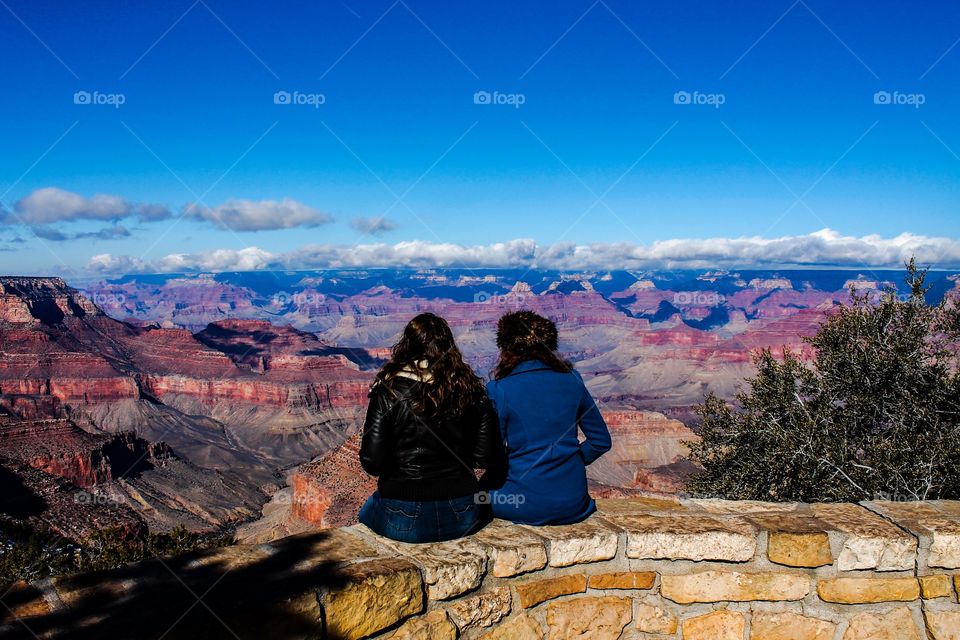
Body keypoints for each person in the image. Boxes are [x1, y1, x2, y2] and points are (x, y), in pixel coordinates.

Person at [358, 312, 502, 543]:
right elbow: (485, 457)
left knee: (365, 512)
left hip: (402, 517)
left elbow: (372, 462)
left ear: (407, 344)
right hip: (464, 514)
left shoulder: (388, 390)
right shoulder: (472, 389)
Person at [481, 310, 611, 525]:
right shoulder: (572, 380)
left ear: (507, 348)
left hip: (522, 503)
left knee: (475, 498)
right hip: (574, 503)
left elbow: (491, 453)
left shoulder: (499, 389)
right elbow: (601, 442)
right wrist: (571, 460)